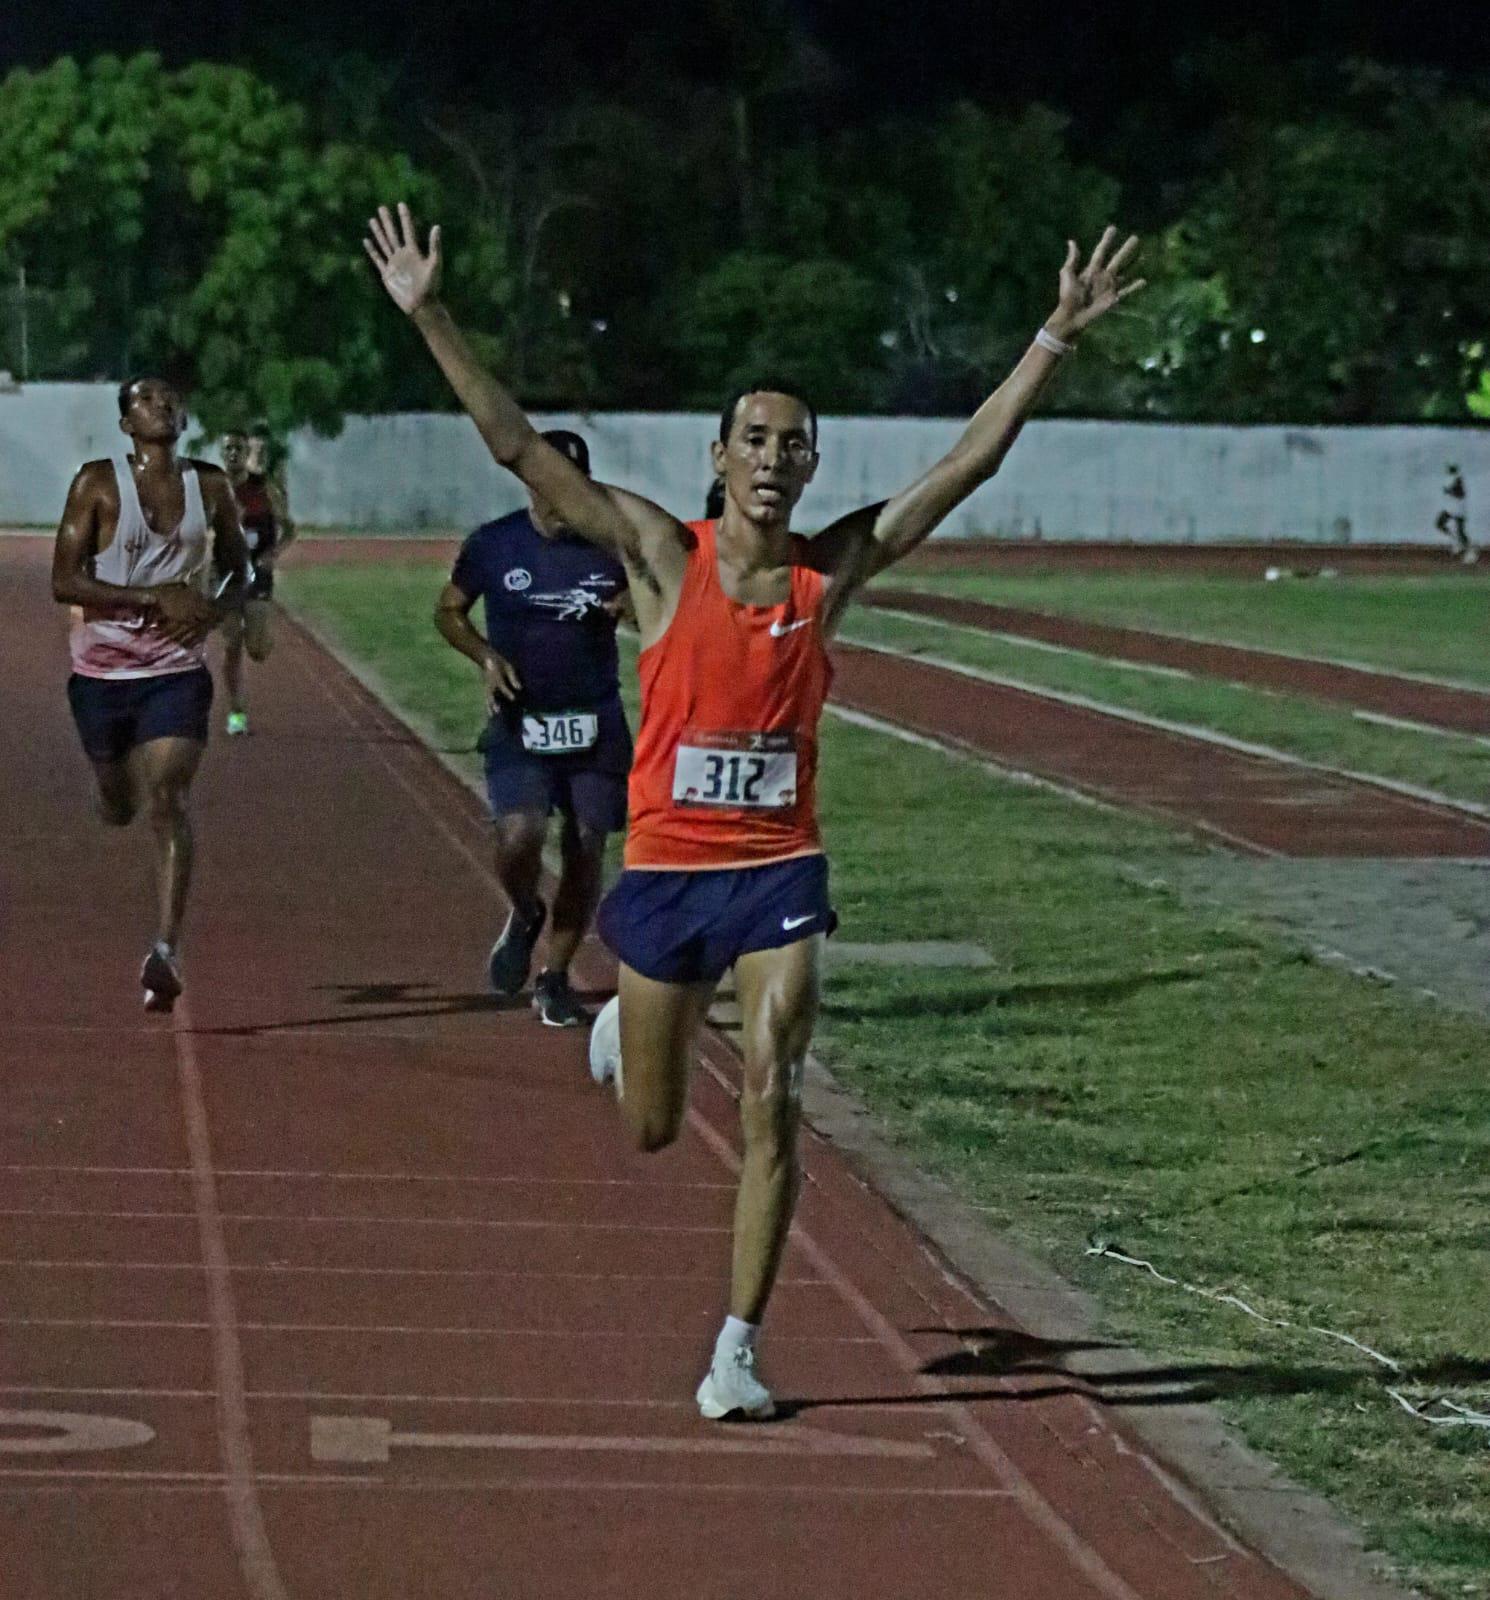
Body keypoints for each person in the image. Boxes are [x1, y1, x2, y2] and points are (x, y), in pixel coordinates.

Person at [365, 201, 1143, 1419]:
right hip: (668, 874)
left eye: (795, 443)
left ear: (811, 464)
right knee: (652, 1131)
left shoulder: (829, 572)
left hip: (779, 867)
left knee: (777, 1085)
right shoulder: (654, 555)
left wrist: (1051, 338)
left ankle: (735, 1347)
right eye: (756, 440)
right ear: (718, 457)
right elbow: (517, 446)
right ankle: (625, 1027)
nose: (775, 458)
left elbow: (963, 468)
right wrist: (431, 315)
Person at [52, 377, 251, 1010]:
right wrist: (152, 598)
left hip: (175, 671)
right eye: (145, 400)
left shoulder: (211, 486)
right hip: (102, 675)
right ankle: (113, 791)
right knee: (119, 803)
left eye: (169, 399)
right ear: (125, 422)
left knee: (168, 795)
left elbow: (241, 570)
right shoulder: (97, 484)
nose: (161, 407)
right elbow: (64, 579)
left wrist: (214, 613)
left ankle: (165, 950)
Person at [434, 429, 632, 1027]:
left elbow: (664, 598)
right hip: (523, 721)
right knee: (519, 838)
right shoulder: (494, 545)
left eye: (575, 487)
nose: (562, 500)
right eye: (551, 485)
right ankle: (524, 912)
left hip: (594, 719)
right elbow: (447, 610)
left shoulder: (614, 545)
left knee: (586, 843)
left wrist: (634, 604)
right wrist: (485, 656)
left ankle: (555, 975)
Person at [219, 423, 296, 735]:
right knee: (232, 643)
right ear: (221, 453)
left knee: (258, 649)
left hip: (258, 575)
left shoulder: (264, 490)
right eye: (228, 449)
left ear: (246, 453)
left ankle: (262, 632)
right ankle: (236, 712)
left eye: (239, 449)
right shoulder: (214, 488)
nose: (234, 454)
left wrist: (271, 555)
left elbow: (290, 529)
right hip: (226, 574)